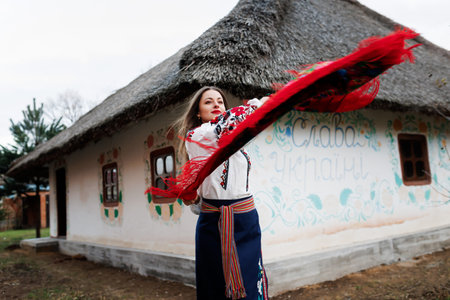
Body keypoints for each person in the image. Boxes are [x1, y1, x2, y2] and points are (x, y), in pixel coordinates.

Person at [176, 86, 269, 299]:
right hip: (215, 223)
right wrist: (265, 102)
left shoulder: (235, 137)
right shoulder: (198, 135)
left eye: (220, 101)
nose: (216, 104)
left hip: (246, 220)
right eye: (208, 102)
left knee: (251, 282)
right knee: (215, 285)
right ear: (198, 112)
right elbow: (230, 122)